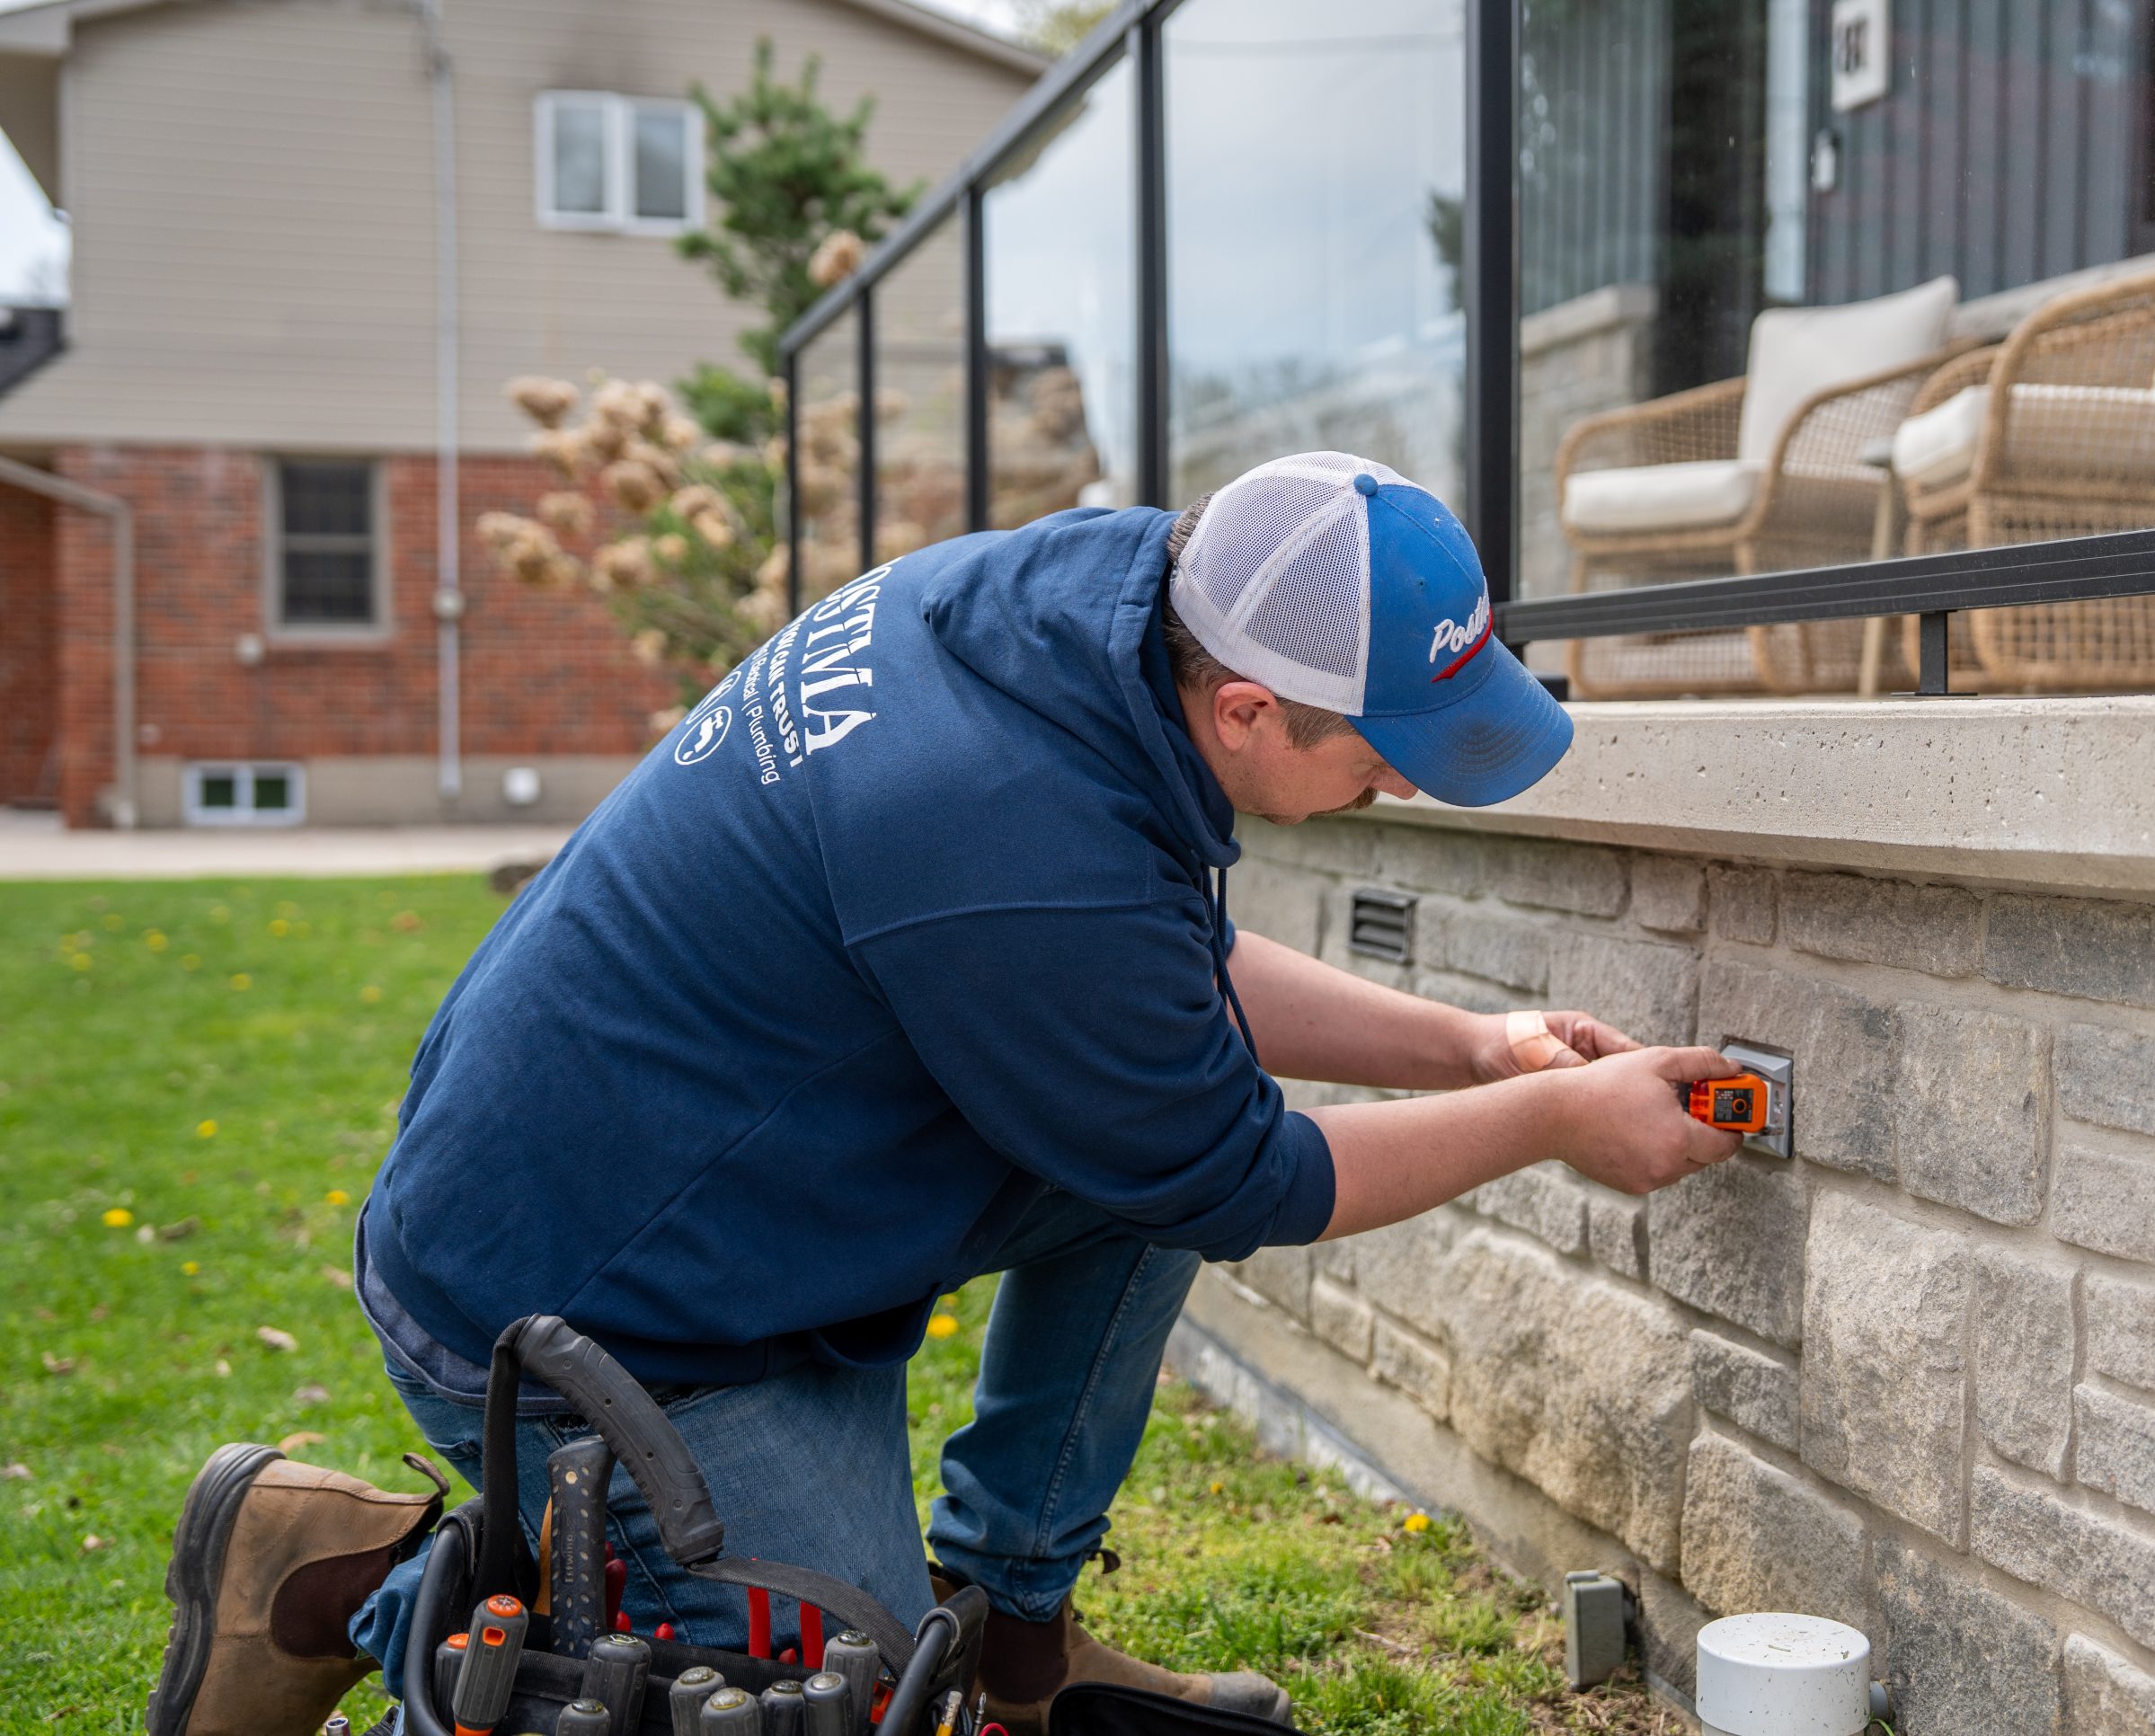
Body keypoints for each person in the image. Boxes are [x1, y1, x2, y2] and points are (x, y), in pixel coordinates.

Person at [146, 454, 1742, 1736]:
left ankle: (1018, 1638)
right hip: (593, 1317)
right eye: (1385, 752)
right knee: (822, 1697)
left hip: (704, 1186)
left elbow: (1151, 985)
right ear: (1249, 708)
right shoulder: (1004, 829)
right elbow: (1248, 1174)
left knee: (1140, 1168)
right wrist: (1545, 1122)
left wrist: (1477, 1049)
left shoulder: (1102, 607)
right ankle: (352, 1577)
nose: (1398, 781)